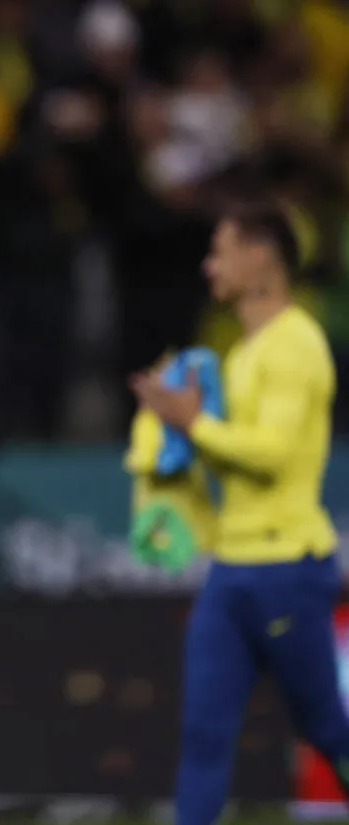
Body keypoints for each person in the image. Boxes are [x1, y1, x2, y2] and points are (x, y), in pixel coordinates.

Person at [131, 203, 349, 825]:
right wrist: (170, 438)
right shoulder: (244, 352)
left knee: (325, 728)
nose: (209, 266)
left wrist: (193, 422)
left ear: (260, 257)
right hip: (232, 571)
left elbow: (272, 456)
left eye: (220, 251)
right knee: (204, 733)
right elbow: (233, 459)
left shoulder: (297, 344)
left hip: (287, 566)